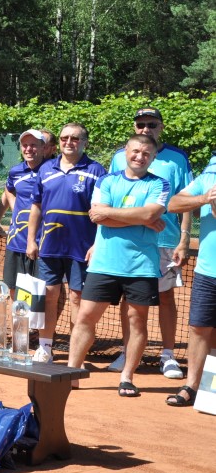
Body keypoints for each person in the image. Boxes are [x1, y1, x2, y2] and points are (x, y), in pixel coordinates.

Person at [66, 134, 169, 397]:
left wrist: (116, 213)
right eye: (135, 151)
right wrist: (142, 219)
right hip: (103, 263)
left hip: (142, 266)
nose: (140, 156)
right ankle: (71, 374)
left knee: (137, 321)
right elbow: (97, 216)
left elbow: (149, 213)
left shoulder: (160, 184)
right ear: (126, 151)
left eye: (146, 153)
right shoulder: (106, 180)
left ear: (153, 157)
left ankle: (127, 378)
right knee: (85, 317)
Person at [106, 108, 192, 379]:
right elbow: (109, 197)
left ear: (161, 127)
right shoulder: (119, 156)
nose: (146, 129)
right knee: (128, 298)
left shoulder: (177, 158)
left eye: (151, 124)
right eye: (140, 124)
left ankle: (168, 355)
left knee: (166, 297)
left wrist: (184, 239)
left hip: (165, 240)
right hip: (126, 239)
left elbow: (186, 200)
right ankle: (128, 350)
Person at [26, 122, 107, 363]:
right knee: (48, 296)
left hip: (82, 248)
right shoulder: (46, 169)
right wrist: (31, 240)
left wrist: (97, 244)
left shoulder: (96, 171)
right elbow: (36, 207)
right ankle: (45, 347)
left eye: (74, 138)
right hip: (50, 245)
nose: (68, 142)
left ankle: (75, 351)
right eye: (64, 138)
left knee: (77, 298)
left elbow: (102, 212)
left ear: (84, 143)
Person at [165, 154, 216, 407]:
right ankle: (193, 386)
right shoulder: (209, 176)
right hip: (207, 271)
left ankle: (210, 389)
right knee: (199, 328)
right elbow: (173, 203)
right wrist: (205, 198)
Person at [0, 129, 49, 292]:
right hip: (16, 240)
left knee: (43, 293)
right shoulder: (15, 171)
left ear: (43, 147)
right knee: (13, 289)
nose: (28, 149)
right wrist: (11, 210)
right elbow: (8, 190)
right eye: (25, 145)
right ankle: (16, 311)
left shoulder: (52, 170)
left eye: (33, 145)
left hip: (44, 243)